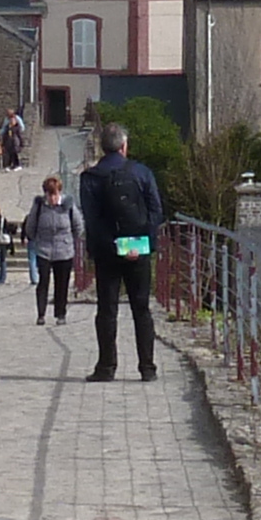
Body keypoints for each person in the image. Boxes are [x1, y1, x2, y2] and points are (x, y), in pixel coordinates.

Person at [74, 122, 164, 381]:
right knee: (141, 309)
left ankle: (106, 367)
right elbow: (156, 211)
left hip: (106, 252)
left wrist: (110, 245)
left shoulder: (90, 177)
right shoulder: (142, 172)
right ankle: (147, 368)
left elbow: (91, 219)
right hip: (139, 250)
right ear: (124, 146)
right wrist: (139, 244)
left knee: (107, 309)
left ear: (103, 148)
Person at [23, 174, 79, 324]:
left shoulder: (68, 205)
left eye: (54, 194)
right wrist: (34, 239)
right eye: (49, 194)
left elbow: (78, 225)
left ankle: (60, 314)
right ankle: (41, 314)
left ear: (59, 192)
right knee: (43, 282)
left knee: (62, 283)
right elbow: (31, 225)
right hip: (44, 249)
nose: (52, 198)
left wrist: (69, 240)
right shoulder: (40, 205)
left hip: (64, 250)